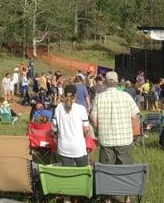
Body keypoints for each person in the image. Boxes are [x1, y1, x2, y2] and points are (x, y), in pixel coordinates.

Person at [92, 71, 139, 203]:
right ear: (117, 82)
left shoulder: (99, 97)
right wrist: (128, 129)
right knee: (125, 169)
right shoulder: (126, 96)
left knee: (107, 170)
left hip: (106, 139)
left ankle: (107, 198)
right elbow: (135, 118)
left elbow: (94, 121)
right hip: (124, 139)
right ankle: (127, 197)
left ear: (106, 82)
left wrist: (100, 130)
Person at [53, 84, 90, 166]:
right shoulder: (81, 109)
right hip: (78, 147)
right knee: (82, 172)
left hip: (63, 147)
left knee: (68, 173)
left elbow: (54, 128)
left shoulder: (58, 108)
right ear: (75, 95)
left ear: (64, 94)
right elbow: (86, 129)